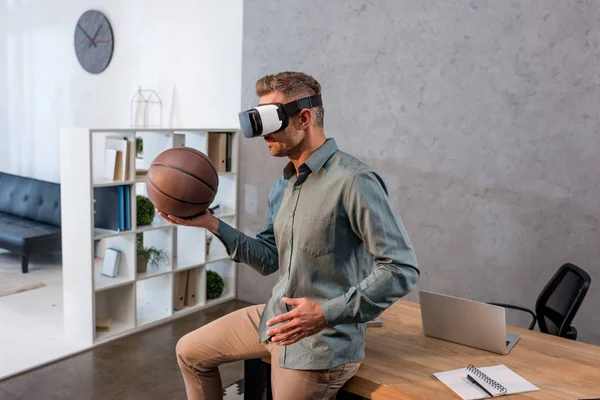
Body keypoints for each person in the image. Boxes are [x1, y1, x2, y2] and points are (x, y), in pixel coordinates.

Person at [159, 71, 419, 400]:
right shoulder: (284, 182)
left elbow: (401, 268)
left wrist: (325, 313)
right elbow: (269, 258)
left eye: (269, 122)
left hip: (320, 341)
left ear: (304, 118)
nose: (262, 136)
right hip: (276, 317)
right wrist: (210, 223)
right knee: (189, 351)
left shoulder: (354, 181)